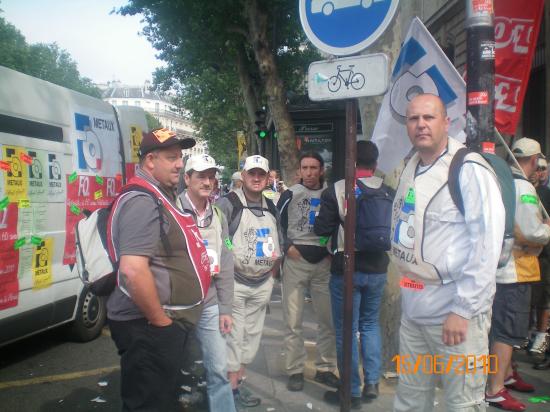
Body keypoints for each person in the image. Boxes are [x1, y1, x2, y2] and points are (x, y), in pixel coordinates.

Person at [390, 94, 505, 412]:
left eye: (428, 117)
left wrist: (463, 310)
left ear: (446, 123)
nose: (420, 125)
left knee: (462, 404)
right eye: (413, 119)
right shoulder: (411, 167)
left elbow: (486, 246)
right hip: (414, 315)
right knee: (410, 399)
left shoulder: (469, 169)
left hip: (455, 319)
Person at [106, 128, 211, 411]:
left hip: (158, 324)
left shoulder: (159, 194)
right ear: (150, 160)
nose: (180, 163)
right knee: (149, 403)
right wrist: (161, 324)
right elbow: (133, 269)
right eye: (172, 157)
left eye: (181, 157)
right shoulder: (142, 200)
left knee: (162, 397)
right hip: (147, 325)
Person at [314, 141, 391, 409]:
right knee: (370, 325)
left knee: (346, 330)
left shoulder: (338, 189)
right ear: (376, 164)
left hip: (346, 270)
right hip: (379, 268)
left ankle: (351, 391)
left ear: (351, 163)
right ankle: (372, 382)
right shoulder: (388, 190)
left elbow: (321, 228)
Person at [486, 138, 550, 411]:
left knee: (504, 329)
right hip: (515, 271)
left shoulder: (504, 179)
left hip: (506, 267)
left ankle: (507, 375)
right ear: (534, 160)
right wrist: (547, 228)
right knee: (507, 330)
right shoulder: (522, 186)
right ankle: (495, 388)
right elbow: (532, 230)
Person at [216, 155, 283, 409]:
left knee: (251, 339)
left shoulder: (272, 205)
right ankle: (230, 392)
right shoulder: (228, 203)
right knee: (234, 338)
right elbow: (218, 237)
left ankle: (237, 385)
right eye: (251, 174)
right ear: (242, 176)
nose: (256, 178)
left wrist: (272, 275)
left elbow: (280, 239)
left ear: (267, 178)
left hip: (262, 284)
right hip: (234, 283)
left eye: (261, 174)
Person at [177, 154, 236, 412]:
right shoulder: (170, 208)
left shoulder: (219, 214)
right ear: (187, 178)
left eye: (211, 176)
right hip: (176, 305)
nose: (208, 181)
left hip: (210, 302)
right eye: (201, 175)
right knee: (173, 366)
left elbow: (226, 260)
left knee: (218, 369)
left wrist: (226, 309)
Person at [277, 151, 338, 392]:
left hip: (324, 263)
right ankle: (294, 370)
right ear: (299, 171)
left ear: (322, 170)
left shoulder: (331, 193)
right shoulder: (290, 194)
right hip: (295, 262)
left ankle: (325, 368)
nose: (310, 173)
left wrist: (333, 251)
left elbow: (341, 224)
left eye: (314, 168)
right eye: (305, 168)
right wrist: (287, 247)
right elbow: (276, 223)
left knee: (327, 321)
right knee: (293, 321)